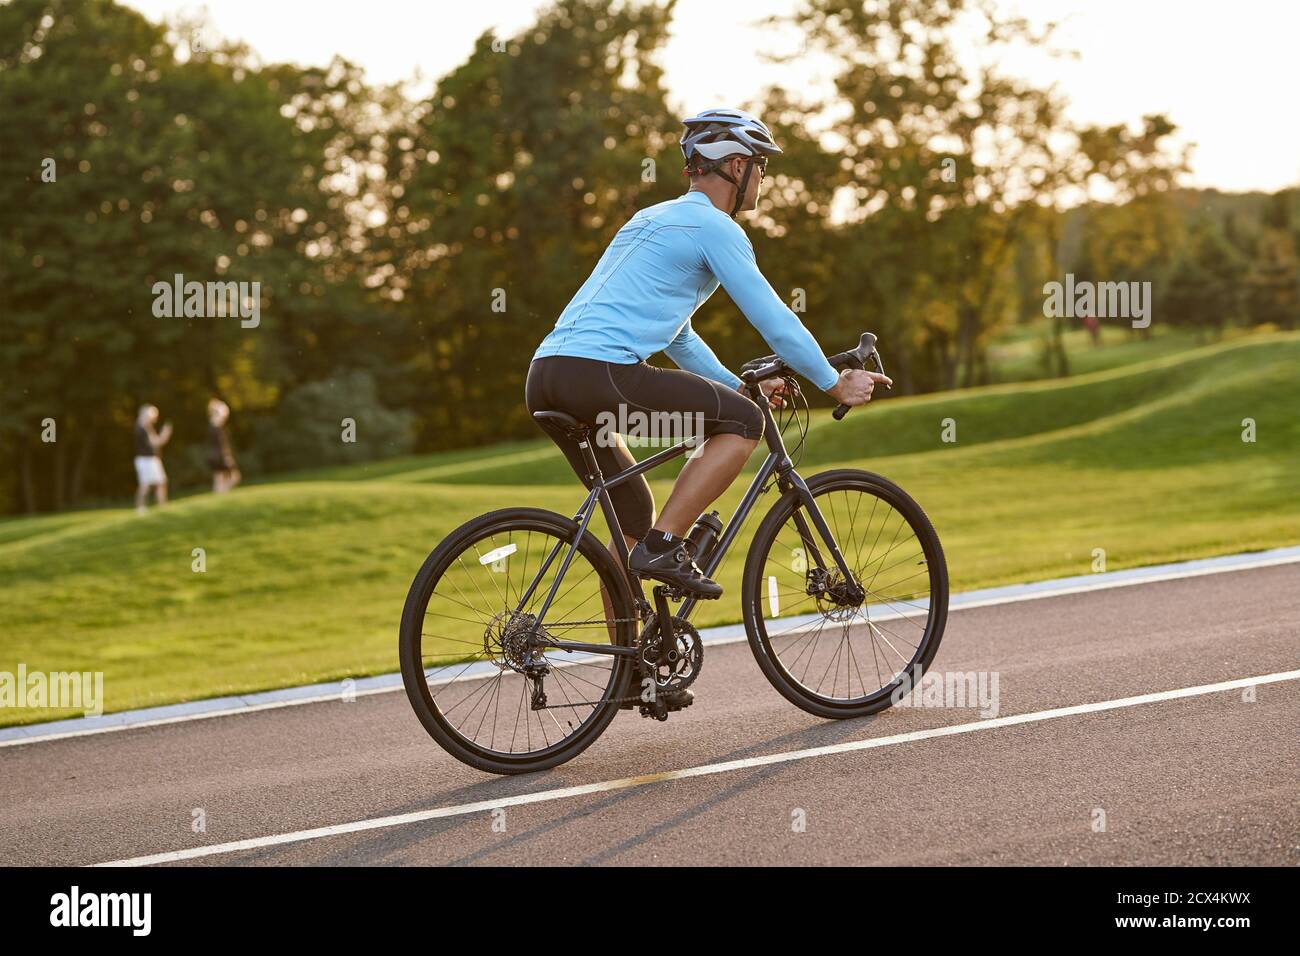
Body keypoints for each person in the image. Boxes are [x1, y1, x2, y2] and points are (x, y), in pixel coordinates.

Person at [526, 108, 890, 599]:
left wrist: (736, 386)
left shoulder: (649, 218)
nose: (762, 178)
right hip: (601, 373)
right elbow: (775, 321)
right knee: (743, 422)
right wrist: (833, 381)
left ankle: (629, 646)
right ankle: (665, 547)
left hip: (548, 375)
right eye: (761, 165)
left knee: (632, 516)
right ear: (737, 166)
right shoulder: (715, 228)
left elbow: (679, 337)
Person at [133, 404, 172, 513]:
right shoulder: (141, 428)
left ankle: (162, 506)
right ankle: (140, 508)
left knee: (161, 482)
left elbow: (156, 442)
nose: (154, 419)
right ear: (145, 414)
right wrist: (164, 435)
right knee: (145, 485)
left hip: (151, 459)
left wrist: (163, 436)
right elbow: (155, 443)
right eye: (152, 416)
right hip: (146, 460)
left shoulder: (146, 427)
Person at [207, 398, 241, 493]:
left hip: (216, 455)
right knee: (232, 477)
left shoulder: (214, 426)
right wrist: (227, 456)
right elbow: (221, 444)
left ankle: (221, 493)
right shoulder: (215, 427)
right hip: (219, 456)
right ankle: (221, 493)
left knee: (221, 479)